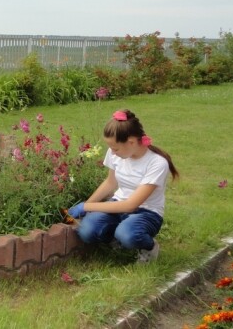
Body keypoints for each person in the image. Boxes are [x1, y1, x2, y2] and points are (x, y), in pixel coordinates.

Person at [67, 109, 179, 262]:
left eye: (116, 148)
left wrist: (86, 207)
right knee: (87, 231)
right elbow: (110, 183)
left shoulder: (157, 163)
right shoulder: (116, 153)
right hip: (118, 204)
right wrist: (89, 203)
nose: (112, 153)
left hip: (147, 213)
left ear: (131, 142)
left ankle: (149, 247)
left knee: (128, 234)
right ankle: (117, 241)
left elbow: (130, 205)